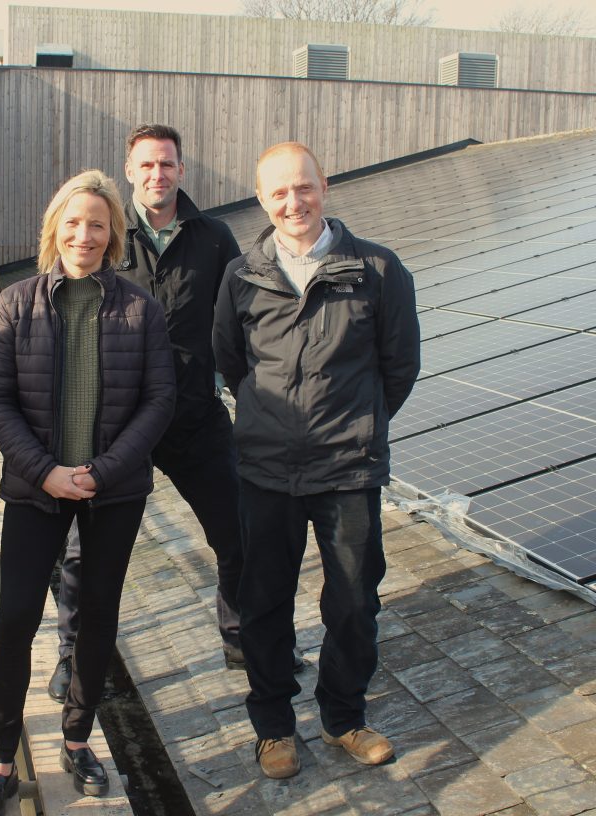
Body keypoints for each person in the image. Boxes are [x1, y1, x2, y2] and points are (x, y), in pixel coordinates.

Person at [47, 123, 301, 704]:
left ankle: (243, 639)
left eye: (167, 164)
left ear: (181, 170)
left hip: (194, 418)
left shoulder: (213, 239)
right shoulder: (106, 235)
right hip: (114, 426)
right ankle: (73, 656)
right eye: (146, 166)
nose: (157, 175)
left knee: (239, 532)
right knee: (88, 552)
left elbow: (244, 322)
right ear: (129, 172)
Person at [0, 169, 175, 815]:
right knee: (16, 618)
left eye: (97, 223)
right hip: (37, 490)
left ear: (113, 232)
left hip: (114, 491)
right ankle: (4, 754)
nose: (84, 235)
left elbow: (159, 398)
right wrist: (46, 471)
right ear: (53, 227)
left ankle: (78, 738)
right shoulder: (16, 302)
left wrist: (104, 470)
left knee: (96, 619)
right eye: (73, 222)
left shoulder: (139, 307)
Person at [213, 141, 420, 779]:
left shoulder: (379, 270)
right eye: (278, 192)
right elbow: (230, 360)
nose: (292, 202)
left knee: (355, 600)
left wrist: (354, 425)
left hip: (348, 469)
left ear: (323, 187)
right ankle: (274, 727)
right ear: (262, 199)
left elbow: (399, 368)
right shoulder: (242, 275)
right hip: (267, 471)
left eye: (303, 187)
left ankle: (343, 717)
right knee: (264, 603)